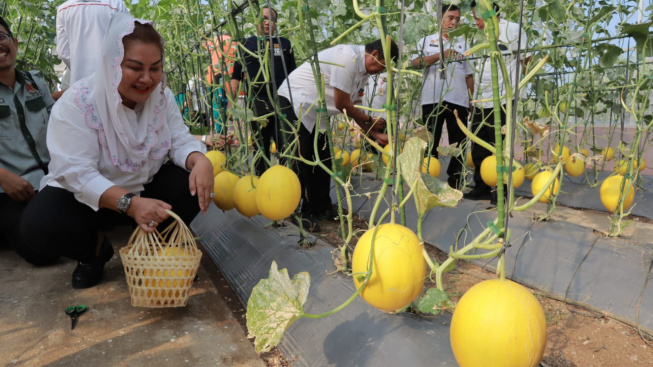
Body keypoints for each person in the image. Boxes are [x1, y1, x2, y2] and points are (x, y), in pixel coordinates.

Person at [19, 13, 214, 289]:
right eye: (135, 67)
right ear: (112, 64)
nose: (147, 79)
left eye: (155, 68)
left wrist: (200, 160)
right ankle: (94, 251)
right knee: (39, 225)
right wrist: (131, 205)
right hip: (88, 202)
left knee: (193, 185)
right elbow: (76, 172)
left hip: (144, 193)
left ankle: (155, 249)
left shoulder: (161, 98)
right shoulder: (79, 102)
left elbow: (179, 140)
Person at [277, 39, 398, 231]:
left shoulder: (363, 72)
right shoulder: (348, 58)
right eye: (384, 66)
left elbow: (353, 107)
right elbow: (342, 104)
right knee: (301, 158)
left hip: (317, 112)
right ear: (375, 55)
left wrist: (373, 133)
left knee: (324, 159)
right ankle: (297, 212)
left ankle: (321, 207)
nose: (381, 72)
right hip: (295, 102)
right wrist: (368, 118)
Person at [464, 1, 531, 202]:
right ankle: (482, 186)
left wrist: (518, 88)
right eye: (474, 18)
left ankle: (500, 191)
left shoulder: (512, 30)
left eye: (478, 18)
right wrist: (473, 98)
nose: (476, 23)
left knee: (500, 145)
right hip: (481, 99)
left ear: (490, 14)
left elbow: (527, 59)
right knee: (478, 145)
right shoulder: (477, 36)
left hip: (503, 98)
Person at [0, 17, 55, 254]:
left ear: (14, 42)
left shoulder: (36, 83)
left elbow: (59, 125)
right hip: (9, 190)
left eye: (2, 37)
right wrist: (2, 176)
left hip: (50, 182)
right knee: (39, 249)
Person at [412, 3, 474, 189]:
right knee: (429, 141)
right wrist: (441, 55)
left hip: (458, 101)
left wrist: (471, 100)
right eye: (450, 18)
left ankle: (456, 182)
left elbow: (469, 75)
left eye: (457, 19)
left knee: (459, 143)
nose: (454, 22)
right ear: (440, 19)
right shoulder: (426, 41)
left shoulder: (464, 44)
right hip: (432, 100)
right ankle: (427, 180)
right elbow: (416, 63)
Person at [230, 6, 296, 176]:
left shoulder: (285, 44)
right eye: (264, 19)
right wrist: (231, 104)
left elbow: (293, 75)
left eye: (272, 20)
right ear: (257, 21)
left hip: (282, 101)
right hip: (257, 102)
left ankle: (285, 183)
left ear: (276, 23)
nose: (267, 23)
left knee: (285, 146)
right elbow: (236, 77)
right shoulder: (245, 44)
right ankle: (261, 182)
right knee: (260, 147)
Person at [56, 0, 129, 90]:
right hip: (110, 83)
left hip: (79, 84)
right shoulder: (117, 5)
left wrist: (79, 68)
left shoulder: (63, 10)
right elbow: (126, 45)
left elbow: (63, 53)